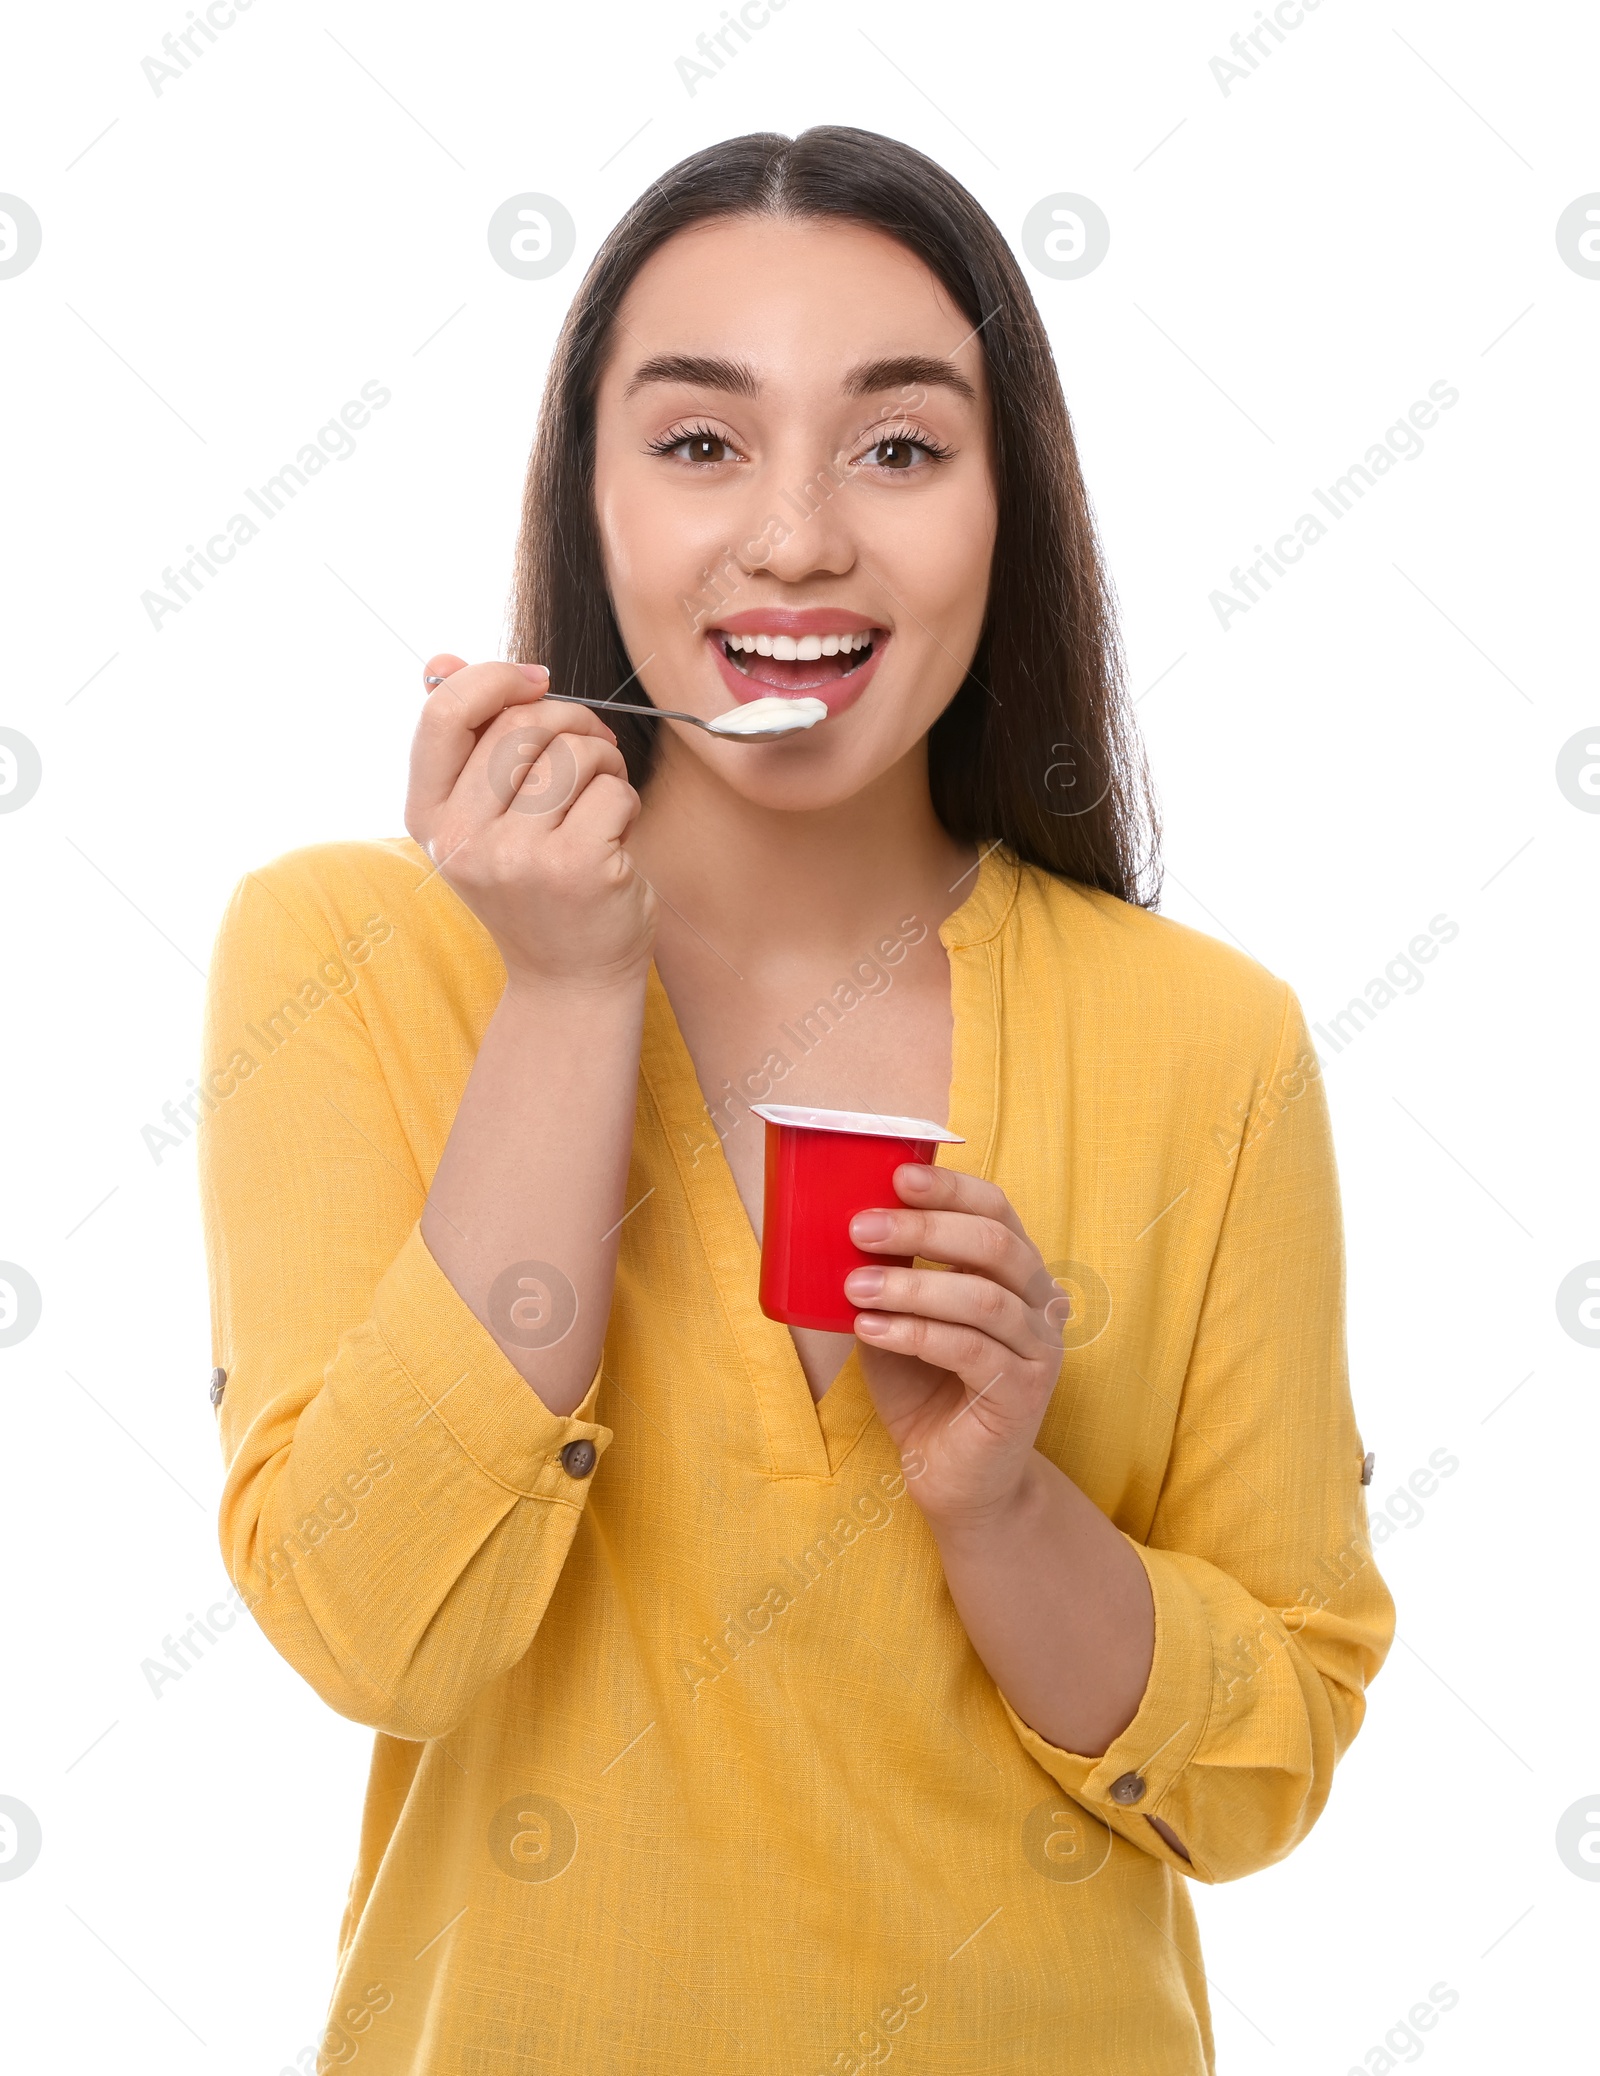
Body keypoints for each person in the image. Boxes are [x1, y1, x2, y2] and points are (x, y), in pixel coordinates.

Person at [200, 126, 1393, 2075]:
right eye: (697, 444)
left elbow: (1257, 1782)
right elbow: (374, 1635)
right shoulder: (343, 955)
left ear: (1007, 508)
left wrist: (1005, 1510)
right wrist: (571, 993)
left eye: (897, 447)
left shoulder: (1209, 1047)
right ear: (588, 502)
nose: (793, 537)